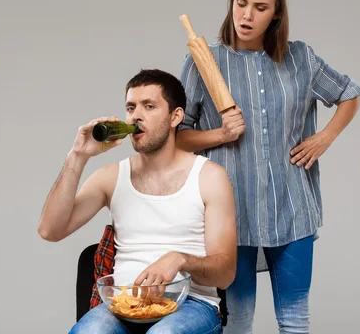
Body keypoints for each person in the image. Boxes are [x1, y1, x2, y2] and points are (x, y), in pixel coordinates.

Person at [177, 0, 360, 333]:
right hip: (231, 215)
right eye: (241, 3)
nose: (246, 15)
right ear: (232, 0)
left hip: (292, 209)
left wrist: (323, 138)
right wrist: (221, 135)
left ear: (276, 15)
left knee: (295, 321)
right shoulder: (203, 62)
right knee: (238, 321)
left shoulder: (300, 58)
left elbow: (350, 93)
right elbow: (178, 137)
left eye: (260, 7)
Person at [37, 69, 237, 334]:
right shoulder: (110, 177)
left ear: (175, 117)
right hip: (123, 303)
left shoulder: (209, 177)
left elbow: (225, 274)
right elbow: (50, 230)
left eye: (149, 106)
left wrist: (180, 259)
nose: (136, 116)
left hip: (193, 304)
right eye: (131, 107)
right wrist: (78, 156)